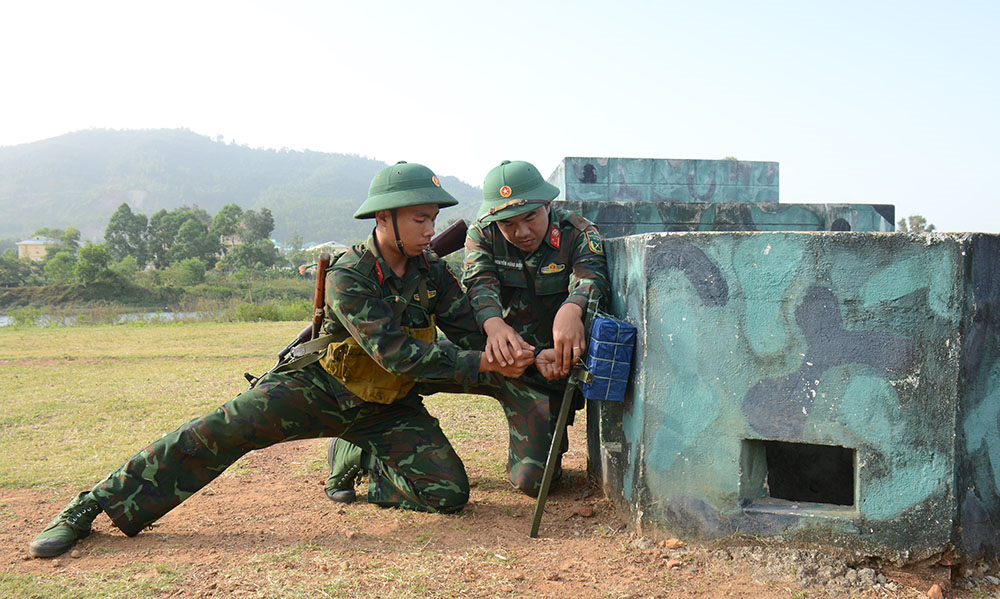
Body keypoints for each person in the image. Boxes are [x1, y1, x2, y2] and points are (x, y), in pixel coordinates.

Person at [28, 161, 533, 559]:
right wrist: (485, 365)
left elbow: (466, 328)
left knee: (448, 494)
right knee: (214, 432)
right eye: (421, 219)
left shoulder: (432, 271)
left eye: (434, 219)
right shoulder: (349, 273)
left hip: (387, 406)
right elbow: (399, 356)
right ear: (385, 218)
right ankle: (87, 508)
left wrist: (508, 346)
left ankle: (358, 461)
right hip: (318, 389)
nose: (431, 229)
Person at [462, 159, 610, 496]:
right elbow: (478, 283)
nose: (522, 232)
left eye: (530, 218)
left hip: (545, 368)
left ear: (547, 205)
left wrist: (572, 308)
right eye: (508, 224)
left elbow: (592, 276)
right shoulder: (482, 234)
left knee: (533, 482)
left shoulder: (578, 232)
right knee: (417, 364)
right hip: (500, 356)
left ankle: (532, 444)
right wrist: (494, 324)